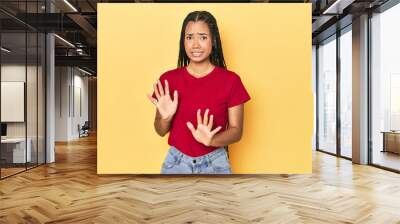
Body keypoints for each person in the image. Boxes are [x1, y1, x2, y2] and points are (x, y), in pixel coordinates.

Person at [147, 11, 250, 174]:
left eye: (202, 37)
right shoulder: (168, 80)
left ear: (213, 40)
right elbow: (160, 131)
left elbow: (237, 131)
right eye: (189, 37)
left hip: (216, 162)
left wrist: (212, 140)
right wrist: (166, 119)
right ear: (183, 41)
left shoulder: (231, 81)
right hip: (176, 163)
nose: (195, 45)